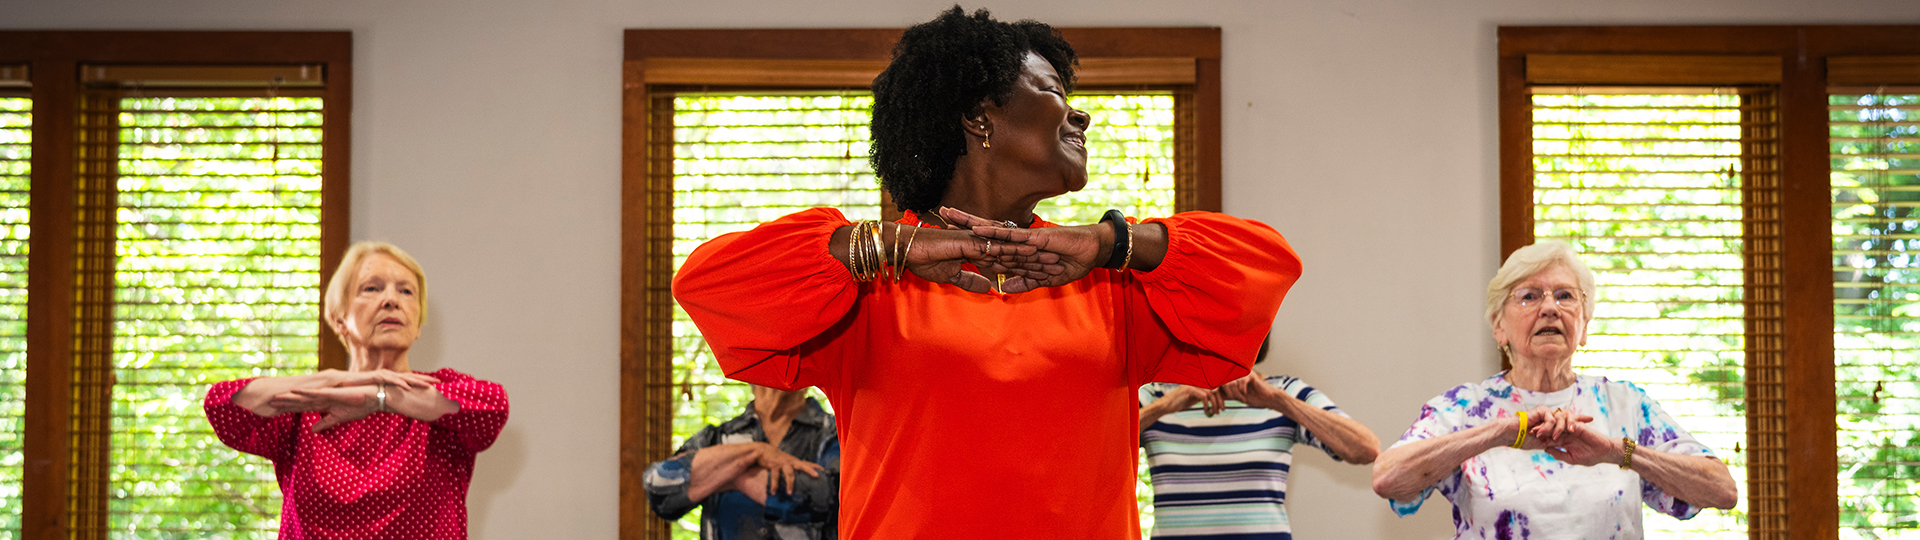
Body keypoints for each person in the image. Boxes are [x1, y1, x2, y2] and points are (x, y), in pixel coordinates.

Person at [670, 7, 1303, 538]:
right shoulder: (868, 279)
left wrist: (1114, 243)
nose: (1079, 116)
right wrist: (886, 248)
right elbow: (706, 285)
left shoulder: (1108, 277)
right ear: (980, 116)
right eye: (1056, 92)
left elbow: (1266, 270)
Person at [1369, 241, 1737, 539]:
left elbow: (1722, 491)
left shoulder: (1625, 404)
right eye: (1529, 296)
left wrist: (1615, 451)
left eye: (1565, 296)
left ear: (1584, 325)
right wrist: (1500, 431)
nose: (1549, 307)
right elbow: (1388, 478)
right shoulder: (1466, 408)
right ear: (1499, 328)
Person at [203, 241, 509, 540]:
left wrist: (380, 398)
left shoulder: (441, 394)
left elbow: (493, 409)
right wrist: (334, 381)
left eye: (406, 291)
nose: (392, 300)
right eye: (372, 288)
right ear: (340, 319)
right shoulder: (306, 407)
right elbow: (224, 407)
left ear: (417, 325)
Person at [1138, 339, 1379, 539]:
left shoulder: (1283, 390)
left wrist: (1278, 401)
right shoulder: (1156, 395)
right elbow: (1100, 453)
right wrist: (1164, 406)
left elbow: (1366, 449)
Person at [643, 385, 840, 539]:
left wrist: (726, 473)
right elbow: (660, 488)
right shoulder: (717, 437)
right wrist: (755, 451)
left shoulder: (836, 435)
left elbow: (829, 498)